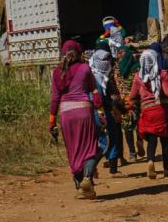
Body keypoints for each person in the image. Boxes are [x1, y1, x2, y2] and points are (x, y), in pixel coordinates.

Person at [49, 40, 103, 199]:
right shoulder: (85, 68)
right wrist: (100, 111)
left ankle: (83, 188)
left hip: (66, 114)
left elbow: (54, 99)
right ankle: (87, 178)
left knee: (74, 151)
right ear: (79, 53)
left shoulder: (57, 72)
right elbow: (95, 91)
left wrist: (52, 122)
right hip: (83, 111)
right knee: (91, 148)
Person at [129, 49, 168, 179]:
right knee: (164, 140)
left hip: (146, 111)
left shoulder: (138, 76)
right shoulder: (161, 74)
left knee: (152, 140)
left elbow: (132, 95)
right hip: (160, 109)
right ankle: (166, 169)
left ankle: (150, 161)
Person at [90, 44, 124, 175]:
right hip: (97, 113)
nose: (107, 63)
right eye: (104, 60)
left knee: (109, 138)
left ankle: (112, 168)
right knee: (106, 140)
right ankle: (92, 167)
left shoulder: (104, 78)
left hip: (101, 112)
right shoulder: (93, 79)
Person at [115, 44, 143, 162]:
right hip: (136, 100)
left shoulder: (117, 69)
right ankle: (140, 141)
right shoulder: (136, 67)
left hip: (123, 102)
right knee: (139, 124)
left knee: (127, 127)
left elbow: (115, 85)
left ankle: (132, 153)